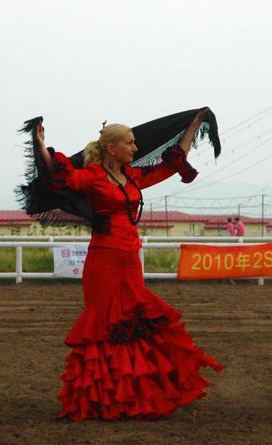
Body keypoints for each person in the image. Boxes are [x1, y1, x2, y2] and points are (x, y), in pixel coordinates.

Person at [33, 109, 222, 421]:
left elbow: (169, 166)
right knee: (103, 324)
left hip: (130, 258)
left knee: (134, 322)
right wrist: (42, 145)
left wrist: (191, 127)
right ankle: (97, 399)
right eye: (130, 143)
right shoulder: (91, 176)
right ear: (112, 148)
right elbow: (59, 176)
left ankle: (132, 395)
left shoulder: (134, 176)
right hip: (104, 259)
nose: (136, 148)